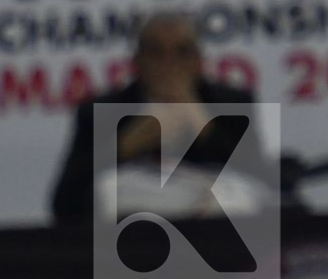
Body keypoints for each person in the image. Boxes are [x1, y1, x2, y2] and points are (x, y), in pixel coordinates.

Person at [49, 12, 259, 223]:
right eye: (156, 53)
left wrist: (205, 130)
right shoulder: (100, 111)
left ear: (198, 62)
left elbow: (262, 183)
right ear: (137, 62)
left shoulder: (231, 103)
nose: (169, 64)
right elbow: (64, 204)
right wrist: (123, 146)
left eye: (182, 52)